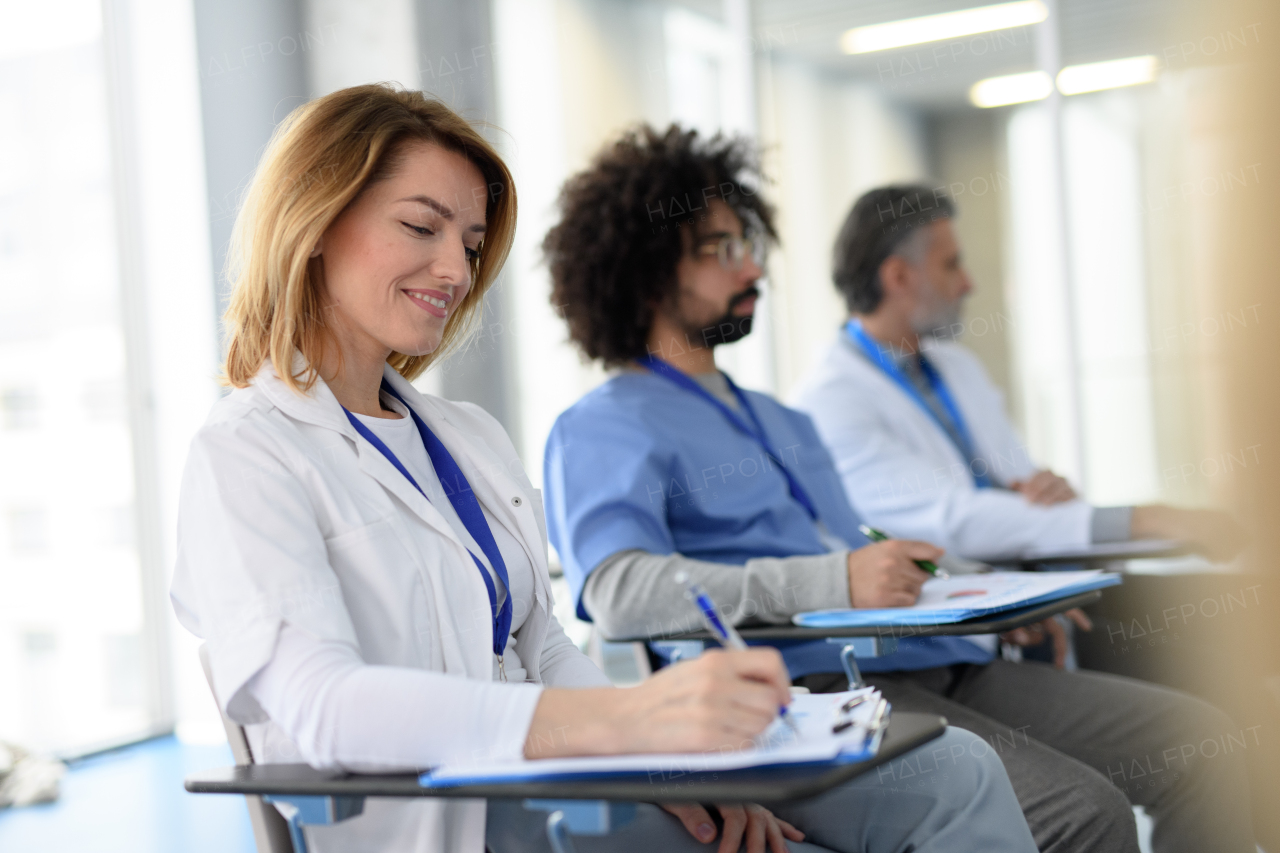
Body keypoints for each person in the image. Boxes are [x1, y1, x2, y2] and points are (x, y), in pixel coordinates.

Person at [169, 86, 1035, 853]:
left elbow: (541, 642)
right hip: (459, 811)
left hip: (569, 775)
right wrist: (626, 724)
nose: (455, 269)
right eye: (420, 226)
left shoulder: (464, 435)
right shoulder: (248, 452)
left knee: (954, 769)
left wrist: (663, 765)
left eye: (470, 242)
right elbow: (324, 709)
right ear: (314, 222)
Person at [541, 125, 1256, 853]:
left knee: (1209, 744)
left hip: (935, 661)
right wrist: (834, 580)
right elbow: (620, 590)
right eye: (722, 250)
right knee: (1083, 812)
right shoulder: (603, 427)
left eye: (748, 244)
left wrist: (989, 593)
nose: (753, 266)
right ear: (649, 268)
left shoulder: (779, 417)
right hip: (810, 693)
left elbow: (859, 545)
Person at [789, 184, 1242, 564]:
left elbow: (1021, 491)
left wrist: (1051, 491)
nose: (968, 284)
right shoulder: (830, 401)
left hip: (1030, 586)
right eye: (951, 265)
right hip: (954, 627)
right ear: (899, 278)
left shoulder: (956, 366)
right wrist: (1138, 519)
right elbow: (952, 521)